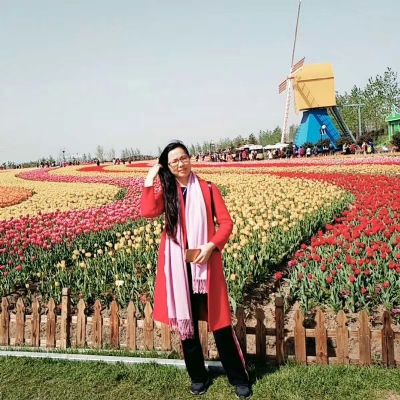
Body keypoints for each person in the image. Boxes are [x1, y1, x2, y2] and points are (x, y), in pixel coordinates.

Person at [141, 140, 252, 399]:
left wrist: (211, 245)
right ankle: (198, 378)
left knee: (221, 326)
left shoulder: (208, 189)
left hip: (206, 267)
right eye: (173, 161)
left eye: (183, 158)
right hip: (179, 270)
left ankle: (239, 378)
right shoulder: (168, 193)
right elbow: (147, 211)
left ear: (190, 158)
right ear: (167, 166)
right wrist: (150, 178)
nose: (180, 164)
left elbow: (226, 223)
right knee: (187, 326)